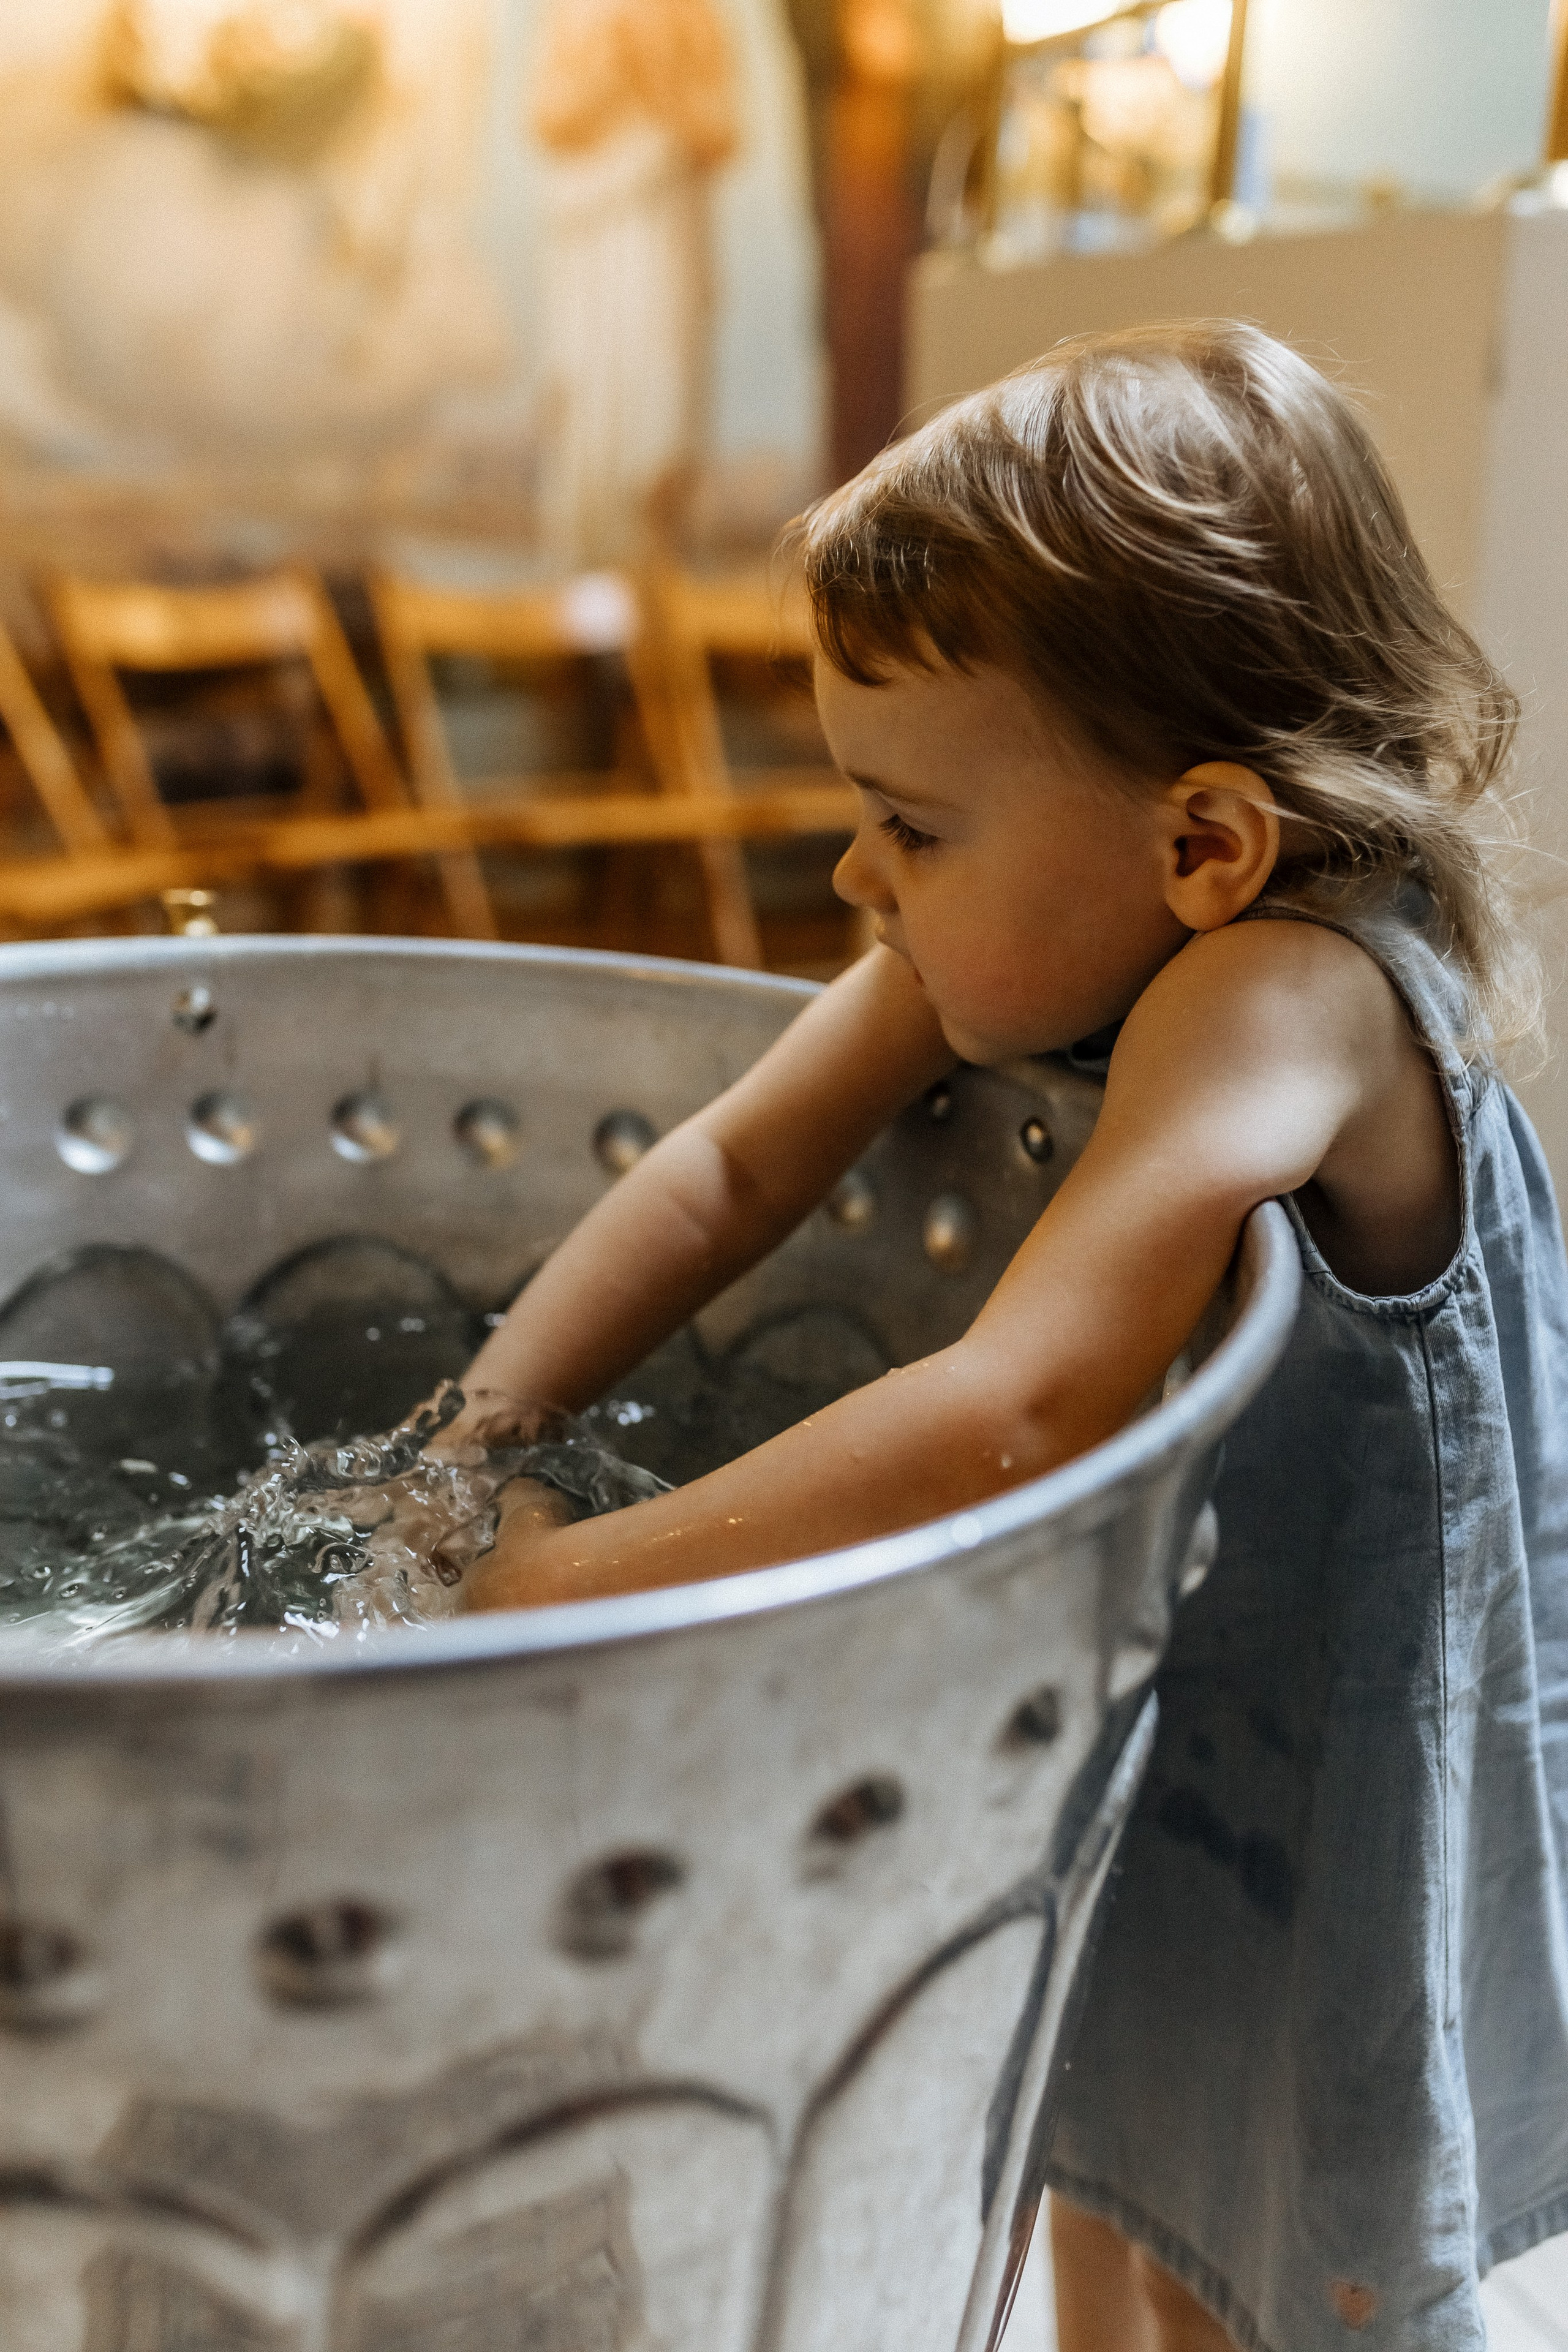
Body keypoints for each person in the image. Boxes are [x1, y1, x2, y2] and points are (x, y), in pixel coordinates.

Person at [438, 322, 1568, 2350]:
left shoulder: (1285, 990)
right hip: (1142, 1679)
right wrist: (474, 1434)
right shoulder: (1069, 916)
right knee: (1096, 2127)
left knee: (1281, 2229)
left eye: (916, 825)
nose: (862, 872)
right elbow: (725, 1173)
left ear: (1204, 844)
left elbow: (1023, 1405)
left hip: (1327, 1751)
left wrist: (561, 1587)